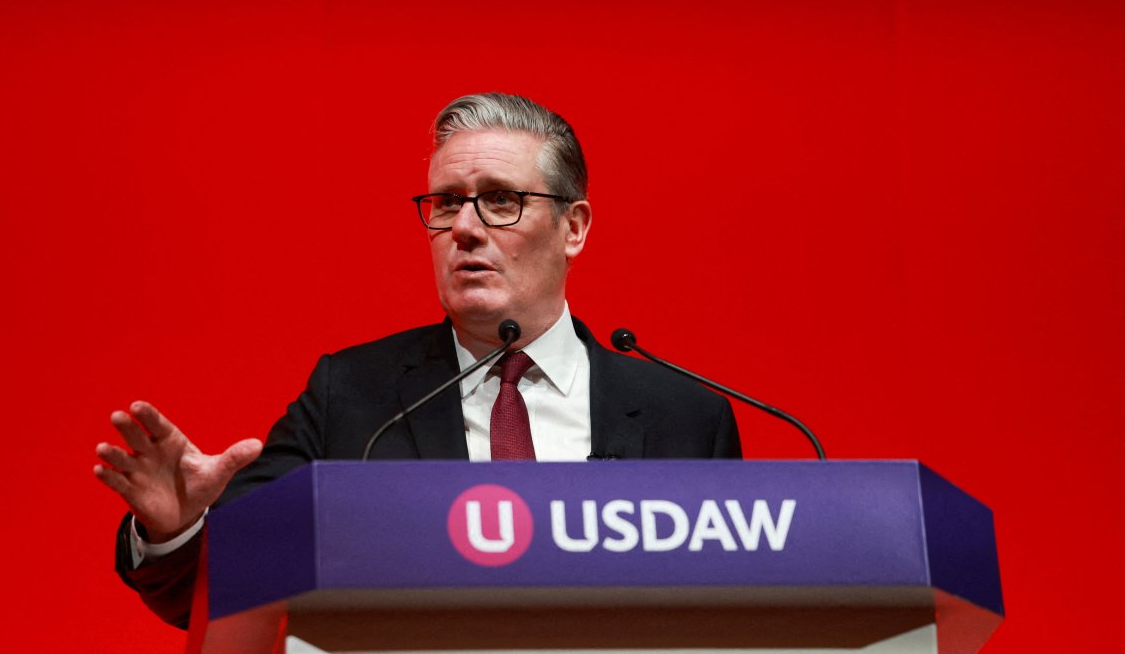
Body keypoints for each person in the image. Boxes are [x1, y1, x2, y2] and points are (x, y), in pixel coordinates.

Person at [94, 92, 742, 627]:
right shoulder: (352, 396)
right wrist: (181, 530)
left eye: (500, 200)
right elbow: (225, 593)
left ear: (572, 227)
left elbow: (733, 616)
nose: (464, 228)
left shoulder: (685, 417)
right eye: (447, 202)